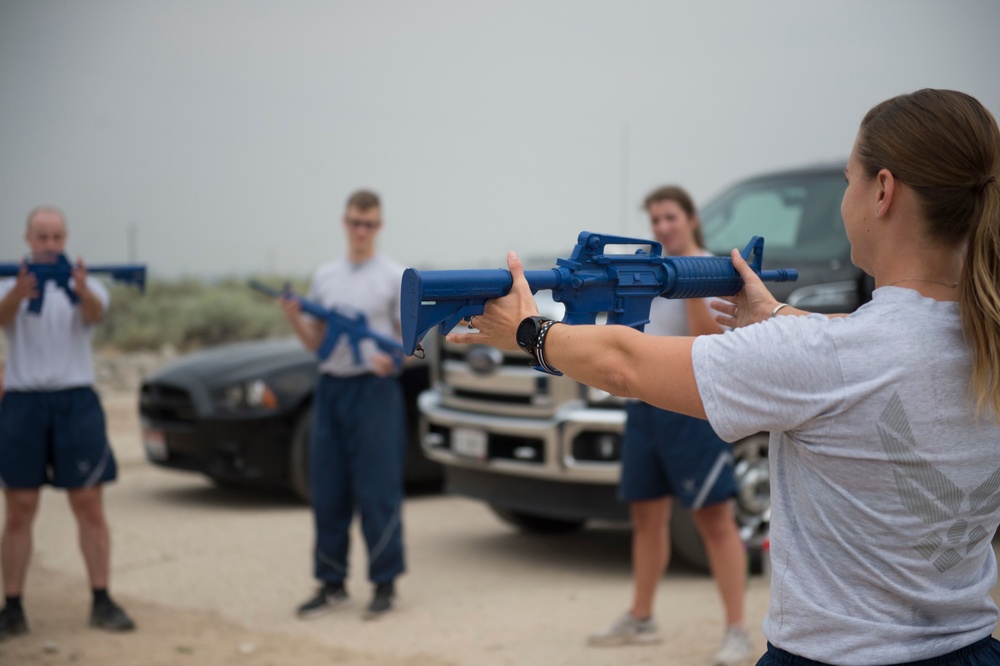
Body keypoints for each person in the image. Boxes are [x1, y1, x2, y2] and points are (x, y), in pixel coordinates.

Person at [447, 88, 1000, 665]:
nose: (846, 200)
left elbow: (624, 364)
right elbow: (878, 346)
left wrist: (528, 332)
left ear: (883, 191)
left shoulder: (824, 355)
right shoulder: (980, 339)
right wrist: (780, 316)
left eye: (848, 181)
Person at [587, 186, 750, 664]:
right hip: (643, 408)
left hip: (693, 409)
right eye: (655, 219)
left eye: (670, 217)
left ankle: (737, 629)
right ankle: (641, 617)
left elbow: (707, 340)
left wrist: (692, 278)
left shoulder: (714, 268)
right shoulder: (645, 267)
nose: (662, 227)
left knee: (714, 519)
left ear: (690, 218)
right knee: (645, 516)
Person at [0, 206, 136, 640]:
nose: (50, 245)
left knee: (90, 505)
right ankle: (13, 606)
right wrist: (18, 294)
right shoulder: (10, 283)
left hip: (75, 401)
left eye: (57, 236)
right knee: (19, 508)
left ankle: (101, 599)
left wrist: (79, 291)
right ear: (28, 239)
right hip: (23, 401)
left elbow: (95, 314)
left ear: (66, 237)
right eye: (42, 237)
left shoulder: (86, 282)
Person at [282, 189, 407, 620]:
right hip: (332, 388)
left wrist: (390, 361)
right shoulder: (326, 276)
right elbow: (318, 345)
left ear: (379, 226)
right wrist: (295, 318)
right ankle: (330, 582)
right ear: (344, 222)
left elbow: (407, 344)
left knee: (378, 489)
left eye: (369, 224)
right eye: (355, 222)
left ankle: (384, 582)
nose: (361, 231)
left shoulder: (393, 277)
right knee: (328, 489)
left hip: (373, 392)